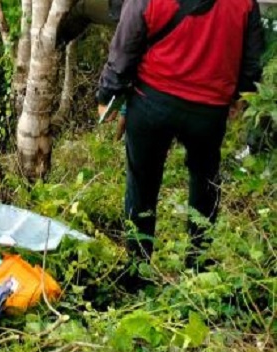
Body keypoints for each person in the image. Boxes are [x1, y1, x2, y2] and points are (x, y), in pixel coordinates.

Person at [97, 0, 265, 276]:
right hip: (209, 111)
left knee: (142, 183)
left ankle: (138, 266)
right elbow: (252, 58)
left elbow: (126, 42)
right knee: (205, 182)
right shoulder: (245, 2)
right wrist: (241, 95)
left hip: (152, 101)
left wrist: (107, 93)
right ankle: (198, 264)